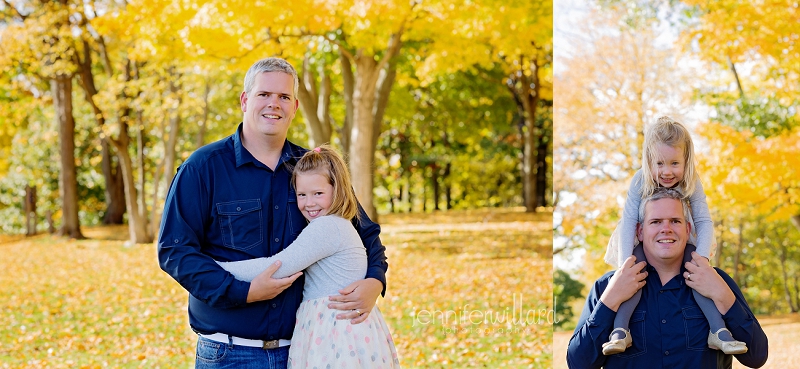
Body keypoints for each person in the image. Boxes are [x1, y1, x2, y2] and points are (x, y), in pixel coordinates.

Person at [158, 57, 388, 368]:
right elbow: (175, 251)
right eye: (264, 95)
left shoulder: (314, 169)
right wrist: (243, 292)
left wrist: (375, 281)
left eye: (283, 97)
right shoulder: (203, 168)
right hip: (229, 354)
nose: (274, 104)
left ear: (294, 107)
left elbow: (366, 233)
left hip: (305, 350)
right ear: (244, 100)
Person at [215, 145, 400, 368]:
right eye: (301, 195)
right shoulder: (336, 224)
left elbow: (277, 266)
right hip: (346, 330)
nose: (309, 203)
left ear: (338, 190)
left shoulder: (326, 228)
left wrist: (216, 268)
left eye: (318, 194)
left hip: (336, 335)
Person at [567, 187, 768, 369]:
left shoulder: (717, 280)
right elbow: (578, 363)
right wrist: (610, 301)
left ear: (688, 229)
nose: (666, 228)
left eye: (675, 221)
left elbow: (756, 357)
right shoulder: (607, 286)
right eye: (655, 222)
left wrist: (723, 296)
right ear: (640, 231)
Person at [601, 116, 746, 355]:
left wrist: (702, 259)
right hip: (641, 239)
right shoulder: (640, 180)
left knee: (697, 276)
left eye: (674, 163)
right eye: (659, 163)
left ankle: (718, 332)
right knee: (633, 275)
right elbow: (628, 221)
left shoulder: (692, 181)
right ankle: (620, 331)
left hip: (681, 238)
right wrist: (625, 264)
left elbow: (703, 220)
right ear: (649, 161)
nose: (667, 172)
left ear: (686, 161)